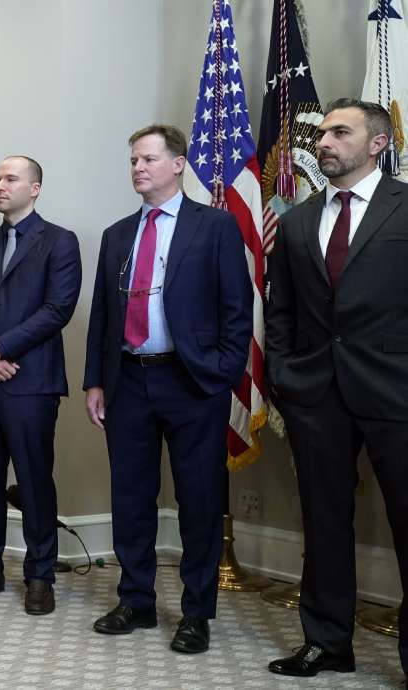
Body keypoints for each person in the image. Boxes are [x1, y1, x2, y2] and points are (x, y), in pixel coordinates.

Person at [82, 124, 251, 654]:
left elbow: (236, 310)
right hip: (128, 379)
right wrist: (95, 380)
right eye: (133, 160)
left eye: (149, 159)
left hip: (192, 381)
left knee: (198, 500)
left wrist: (221, 375)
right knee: (131, 496)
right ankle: (136, 600)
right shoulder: (116, 234)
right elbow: (102, 316)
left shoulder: (215, 228)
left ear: (178, 163)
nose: (138, 168)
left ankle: (197, 612)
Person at [265, 98, 407, 681]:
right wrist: (283, 374)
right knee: (323, 522)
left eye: (340, 132)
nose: (323, 141)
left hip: (397, 393)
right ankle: (327, 642)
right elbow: (282, 310)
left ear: (377, 143)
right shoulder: (298, 220)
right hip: (315, 393)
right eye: (322, 132)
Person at [0, 156, 81, 614]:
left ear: (36, 188)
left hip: (31, 383)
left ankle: (40, 574)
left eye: (10, 179)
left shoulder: (60, 242)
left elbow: (57, 309)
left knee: (33, 481)